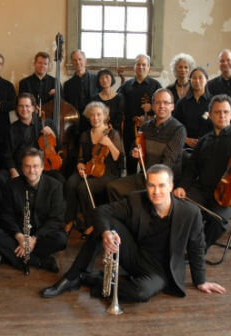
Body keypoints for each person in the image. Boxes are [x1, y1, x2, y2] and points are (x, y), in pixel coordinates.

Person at [40, 164, 226, 302]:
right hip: (135, 254)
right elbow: (100, 212)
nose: (156, 191)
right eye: (151, 186)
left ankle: (92, 279)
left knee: (140, 293)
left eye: (161, 186)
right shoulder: (137, 199)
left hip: (161, 270)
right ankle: (70, 278)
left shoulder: (190, 213)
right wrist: (106, 233)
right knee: (105, 224)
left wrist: (200, 281)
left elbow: (196, 247)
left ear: (171, 186)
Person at [173, 94, 231, 247]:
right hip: (203, 190)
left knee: (217, 220)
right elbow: (191, 169)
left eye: (226, 112)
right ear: (211, 115)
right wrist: (182, 186)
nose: (222, 115)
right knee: (179, 207)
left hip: (230, 194)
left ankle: (198, 251)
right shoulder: (204, 140)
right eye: (217, 112)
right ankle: (178, 246)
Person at [0, 147, 67, 273]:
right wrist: (20, 237)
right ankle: (40, 262)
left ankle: (8, 255)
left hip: (41, 234)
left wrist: (34, 239)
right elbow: (7, 216)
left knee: (61, 240)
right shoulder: (11, 185)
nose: (31, 171)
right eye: (27, 166)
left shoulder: (55, 186)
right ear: (22, 168)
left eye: (35, 166)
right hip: (19, 231)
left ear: (42, 167)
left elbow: (56, 219)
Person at [0, 92, 59, 219]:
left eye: (27, 106)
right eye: (21, 106)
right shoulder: (11, 128)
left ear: (33, 108)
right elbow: (7, 154)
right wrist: (13, 171)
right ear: (16, 108)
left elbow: (57, 147)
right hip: (19, 167)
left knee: (60, 180)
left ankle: (53, 219)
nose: (24, 109)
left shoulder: (46, 123)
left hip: (40, 168)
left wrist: (52, 133)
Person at [106, 89, 186, 201]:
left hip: (163, 182)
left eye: (166, 102)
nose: (161, 106)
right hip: (143, 176)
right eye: (157, 102)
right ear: (152, 106)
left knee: (138, 198)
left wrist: (152, 180)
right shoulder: (145, 127)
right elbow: (133, 148)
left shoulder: (178, 129)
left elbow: (168, 162)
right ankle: (125, 216)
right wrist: (134, 153)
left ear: (172, 106)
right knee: (113, 187)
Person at [64, 102, 124, 235]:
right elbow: (80, 159)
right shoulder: (85, 135)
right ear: (88, 117)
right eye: (92, 115)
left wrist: (109, 144)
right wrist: (80, 167)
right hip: (89, 168)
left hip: (108, 172)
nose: (95, 118)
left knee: (83, 187)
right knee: (71, 183)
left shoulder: (113, 134)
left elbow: (119, 160)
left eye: (99, 114)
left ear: (105, 116)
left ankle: (92, 222)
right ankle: (70, 219)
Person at [118, 54, 161, 174]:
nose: (141, 67)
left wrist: (152, 107)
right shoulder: (126, 85)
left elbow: (163, 105)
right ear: (134, 67)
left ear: (148, 67)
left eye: (144, 64)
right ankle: (130, 184)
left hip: (149, 129)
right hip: (129, 128)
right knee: (131, 157)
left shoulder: (156, 85)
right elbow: (118, 102)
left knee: (147, 160)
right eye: (138, 64)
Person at [173, 67, 213, 149]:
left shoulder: (214, 103)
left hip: (208, 146)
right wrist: (185, 139)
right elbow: (175, 125)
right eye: (194, 78)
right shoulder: (182, 103)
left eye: (200, 78)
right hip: (185, 147)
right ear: (190, 81)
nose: (197, 81)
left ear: (207, 80)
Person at [63, 50, 99, 133]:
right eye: (74, 60)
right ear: (72, 62)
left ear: (85, 60)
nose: (78, 62)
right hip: (76, 123)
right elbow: (67, 106)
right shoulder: (68, 85)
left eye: (80, 59)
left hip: (93, 121)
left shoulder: (96, 79)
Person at [91, 69, 125, 134]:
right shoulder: (94, 99)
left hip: (115, 132)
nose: (104, 80)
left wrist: (110, 127)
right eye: (101, 78)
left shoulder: (119, 97)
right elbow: (93, 117)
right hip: (99, 131)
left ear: (111, 78)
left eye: (107, 77)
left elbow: (120, 117)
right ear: (98, 81)